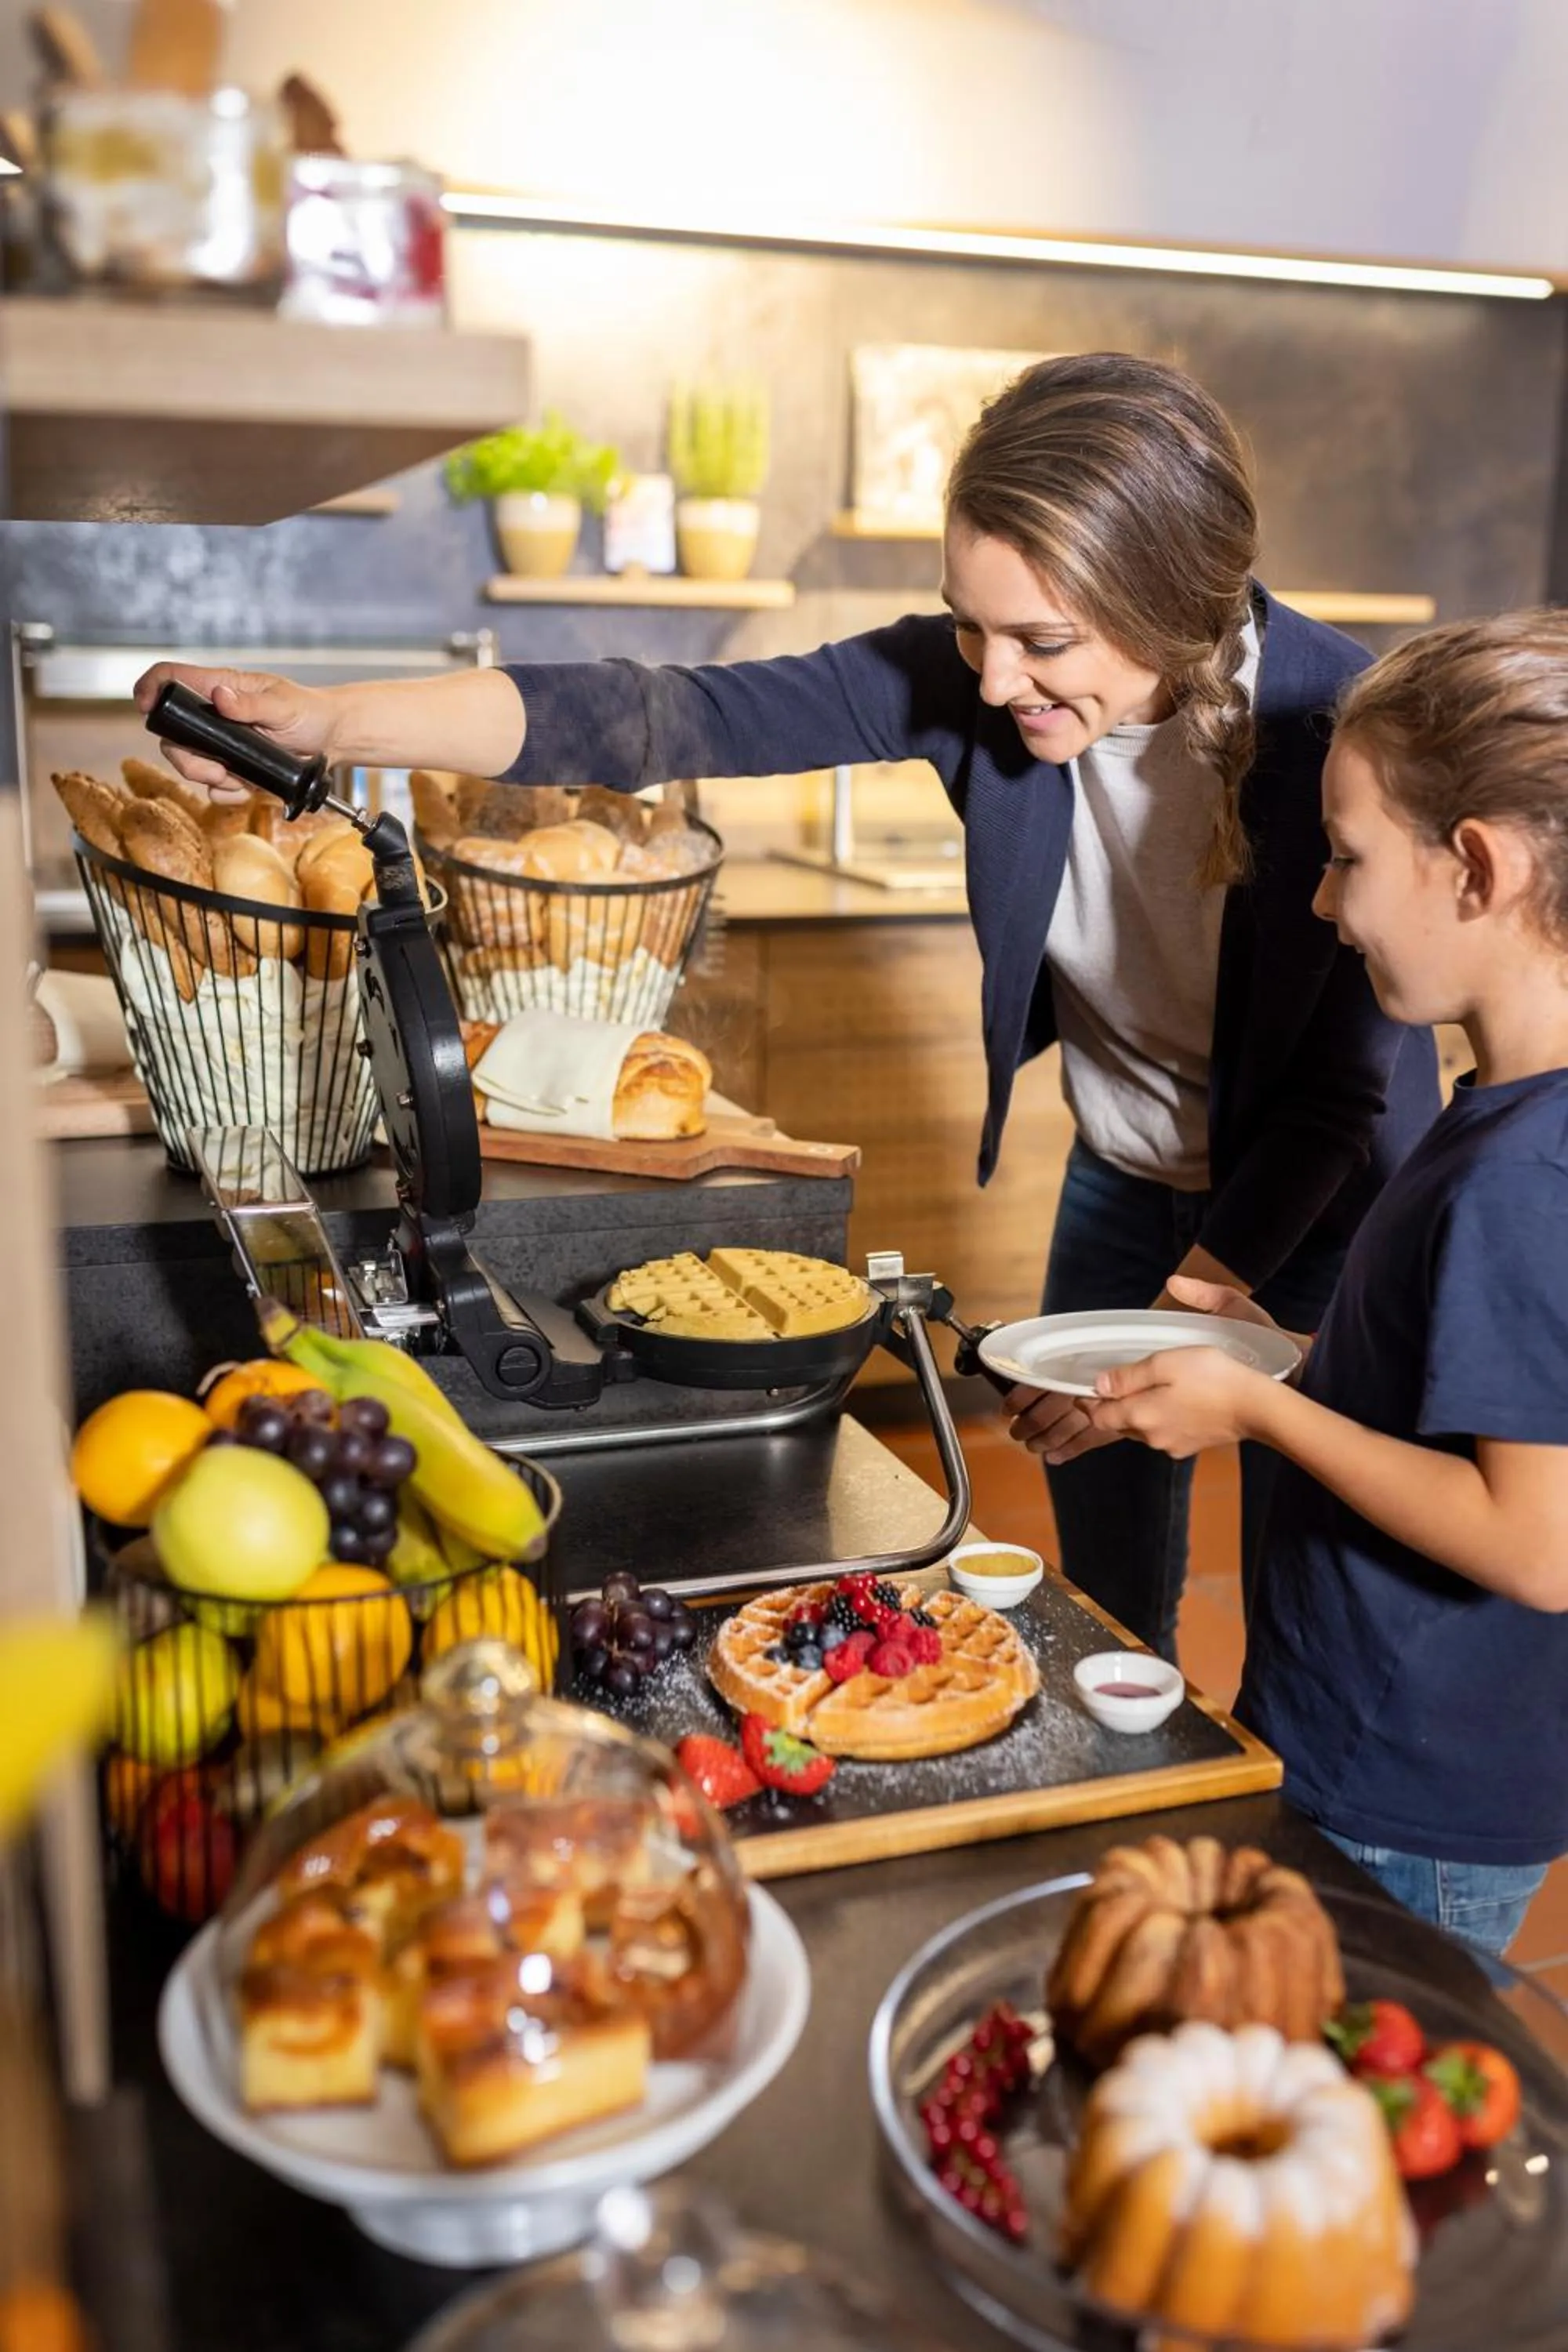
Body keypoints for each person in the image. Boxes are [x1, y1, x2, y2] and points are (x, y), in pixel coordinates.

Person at [136, 351, 1437, 1657]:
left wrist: (1195, 1307)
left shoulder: (1333, 720)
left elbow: (1335, 1095)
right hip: (1127, 1166)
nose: (991, 684)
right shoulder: (979, 679)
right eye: (970, 626)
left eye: (1043, 643)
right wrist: (323, 719)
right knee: (1107, 1576)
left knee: (1318, 1594)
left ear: (1171, 602)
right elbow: (668, 717)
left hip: (1327, 1203)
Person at [1082, 610, 1568, 1956]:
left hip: (1404, 1782)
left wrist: (1260, 1413)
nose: (1319, 902)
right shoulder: (1509, 1118)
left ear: (1479, 867)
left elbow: (1538, 1543)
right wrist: (1275, 1352)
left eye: (1346, 859)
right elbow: (1470, 1406)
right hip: (1376, 1732)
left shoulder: (1523, 1177)